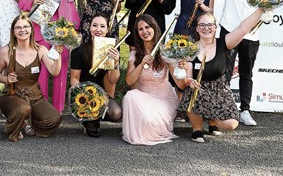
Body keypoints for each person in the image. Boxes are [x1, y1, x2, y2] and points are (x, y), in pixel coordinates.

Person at [177, 9, 263, 143]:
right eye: (202, 25)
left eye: (210, 25)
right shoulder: (190, 48)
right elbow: (186, 78)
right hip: (198, 89)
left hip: (219, 90)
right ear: (197, 29)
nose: (206, 28)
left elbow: (242, 28)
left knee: (231, 124)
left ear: (216, 28)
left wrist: (261, 9)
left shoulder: (224, 43)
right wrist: (190, 81)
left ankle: (212, 120)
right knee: (191, 91)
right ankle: (197, 129)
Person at [18, 0, 80, 113]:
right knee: (42, 71)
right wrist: (32, 2)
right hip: (40, 30)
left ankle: (57, 111)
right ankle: (42, 110)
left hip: (62, 30)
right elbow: (22, 2)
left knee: (61, 69)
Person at [212, 0, 260, 126]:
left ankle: (245, 110)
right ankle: (223, 108)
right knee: (224, 72)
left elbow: (268, 4)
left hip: (252, 33)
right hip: (229, 30)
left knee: (247, 74)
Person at [0, 15, 62, 142]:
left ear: (31, 29)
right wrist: (6, 79)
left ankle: (27, 123)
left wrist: (58, 55)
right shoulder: (5, 51)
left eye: (26, 26)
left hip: (34, 95)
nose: (22, 30)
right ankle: (12, 127)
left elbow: (54, 71)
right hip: (12, 95)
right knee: (22, 108)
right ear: (13, 32)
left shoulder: (40, 50)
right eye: (18, 27)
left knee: (54, 118)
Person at [122, 15, 184, 145]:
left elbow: (178, 81)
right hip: (143, 98)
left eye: (147, 27)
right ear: (137, 33)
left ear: (154, 28)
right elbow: (129, 81)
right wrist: (140, 65)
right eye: (140, 29)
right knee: (130, 95)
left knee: (149, 121)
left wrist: (182, 69)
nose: (144, 31)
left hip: (164, 99)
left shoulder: (165, 52)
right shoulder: (135, 54)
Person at [70, 13, 122, 138]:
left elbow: (113, 79)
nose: (98, 29)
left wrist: (115, 62)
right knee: (92, 126)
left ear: (107, 29)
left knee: (116, 113)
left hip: (102, 94)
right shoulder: (78, 51)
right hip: (84, 93)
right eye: (95, 25)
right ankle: (89, 117)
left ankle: (97, 115)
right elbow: (74, 78)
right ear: (89, 28)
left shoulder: (112, 50)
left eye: (102, 26)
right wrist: (82, 98)